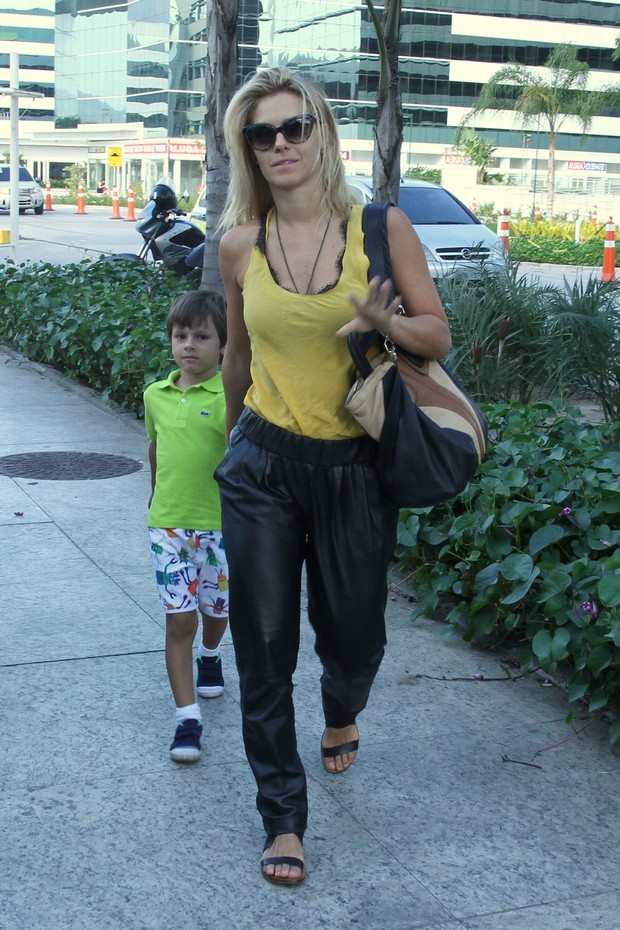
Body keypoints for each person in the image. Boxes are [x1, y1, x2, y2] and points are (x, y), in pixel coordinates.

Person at [215, 66, 452, 885]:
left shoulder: (381, 228)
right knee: (264, 646)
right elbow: (238, 360)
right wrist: (225, 448)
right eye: (261, 133)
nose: (280, 144)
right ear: (246, 149)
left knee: (354, 638)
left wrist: (390, 323)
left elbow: (438, 336)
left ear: (321, 132)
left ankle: (342, 707)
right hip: (263, 467)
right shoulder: (239, 243)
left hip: (355, 468)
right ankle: (282, 816)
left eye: (294, 127)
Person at [144, 290, 229, 764]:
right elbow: (156, 449)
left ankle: (212, 656)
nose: (189, 345)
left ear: (223, 345)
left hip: (221, 528)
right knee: (180, 620)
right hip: (169, 528)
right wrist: (156, 496)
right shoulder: (155, 395)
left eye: (202, 336)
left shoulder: (229, 396)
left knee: (217, 612)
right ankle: (187, 719)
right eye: (181, 336)